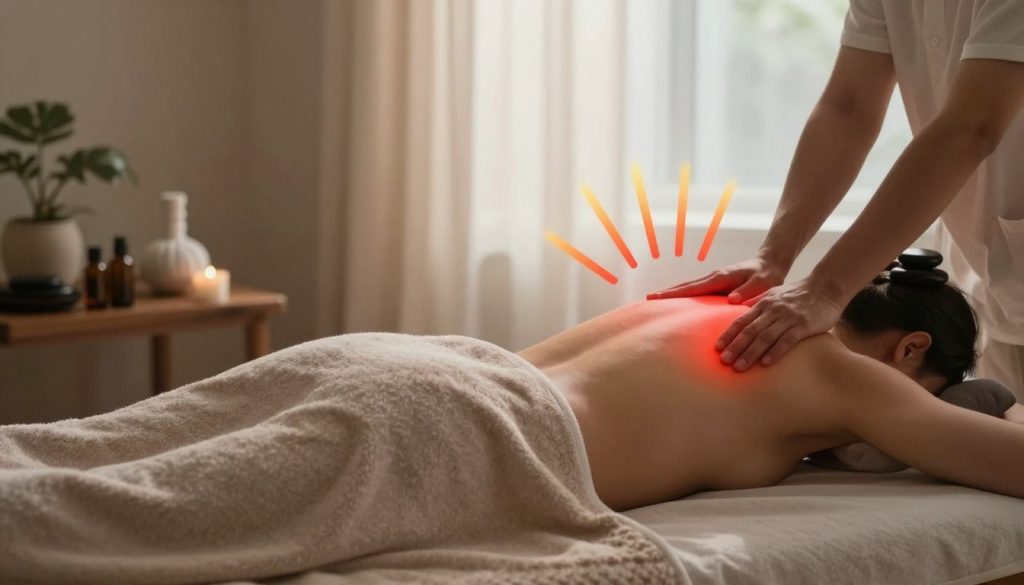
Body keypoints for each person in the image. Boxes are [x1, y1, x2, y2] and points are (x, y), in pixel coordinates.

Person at [648, 1, 1024, 400]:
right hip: (993, 271)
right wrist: (773, 257)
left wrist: (826, 291)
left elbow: (970, 129)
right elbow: (848, 107)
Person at [523, 275, 1024, 510]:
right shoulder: (843, 371)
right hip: (512, 437)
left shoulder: (738, 297)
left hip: (470, 369)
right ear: (910, 350)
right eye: (925, 395)